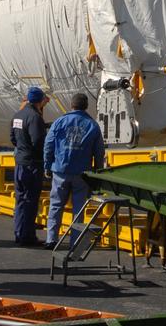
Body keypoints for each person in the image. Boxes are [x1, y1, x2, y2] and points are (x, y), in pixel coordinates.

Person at [42, 92, 105, 250]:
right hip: (81, 173)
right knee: (79, 209)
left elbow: (48, 145)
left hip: (60, 170)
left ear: (71, 105)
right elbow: (99, 152)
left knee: (56, 205)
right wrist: (97, 172)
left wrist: (47, 165)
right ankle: (75, 242)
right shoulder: (93, 125)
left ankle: (51, 239)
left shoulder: (59, 122)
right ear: (86, 106)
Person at [11, 87, 49, 246]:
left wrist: (22, 148)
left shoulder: (18, 115)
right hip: (32, 164)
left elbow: (12, 137)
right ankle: (27, 236)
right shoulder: (35, 117)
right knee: (31, 200)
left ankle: (19, 233)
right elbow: (38, 141)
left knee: (20, 199)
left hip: (20, 162)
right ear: (39, 101)